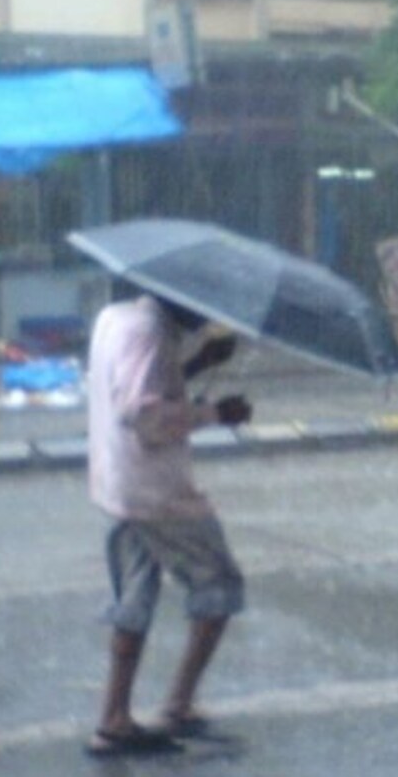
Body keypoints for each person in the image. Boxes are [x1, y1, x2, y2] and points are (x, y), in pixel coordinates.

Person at [84, 288, 253, 756]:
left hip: (118, 482)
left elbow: (137, 385)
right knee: (219, 584)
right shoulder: (152, 334)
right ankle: (177, 703)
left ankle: (113, 717)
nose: (204, 313)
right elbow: (146, 416)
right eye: (199, 305)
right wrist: (217, 413)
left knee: (135, 597)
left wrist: (198, 362)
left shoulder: (114, 319)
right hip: (158, 493)